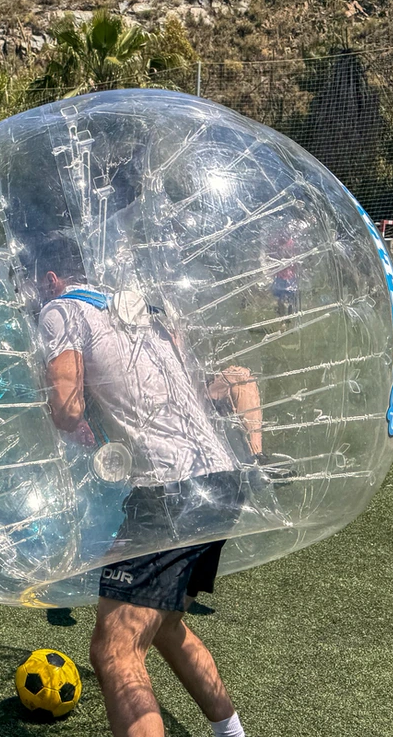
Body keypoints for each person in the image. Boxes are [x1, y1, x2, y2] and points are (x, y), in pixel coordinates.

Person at [30, 232, 261, 737]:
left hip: (170, 490)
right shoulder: (133, 309)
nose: (34, 297)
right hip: (219, 479)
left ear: (51, 278)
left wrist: (53, 397)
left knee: (114, 650)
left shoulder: (61, 311)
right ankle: (231, 733)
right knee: (167, 627)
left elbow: (67, 412)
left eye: (34, 285)